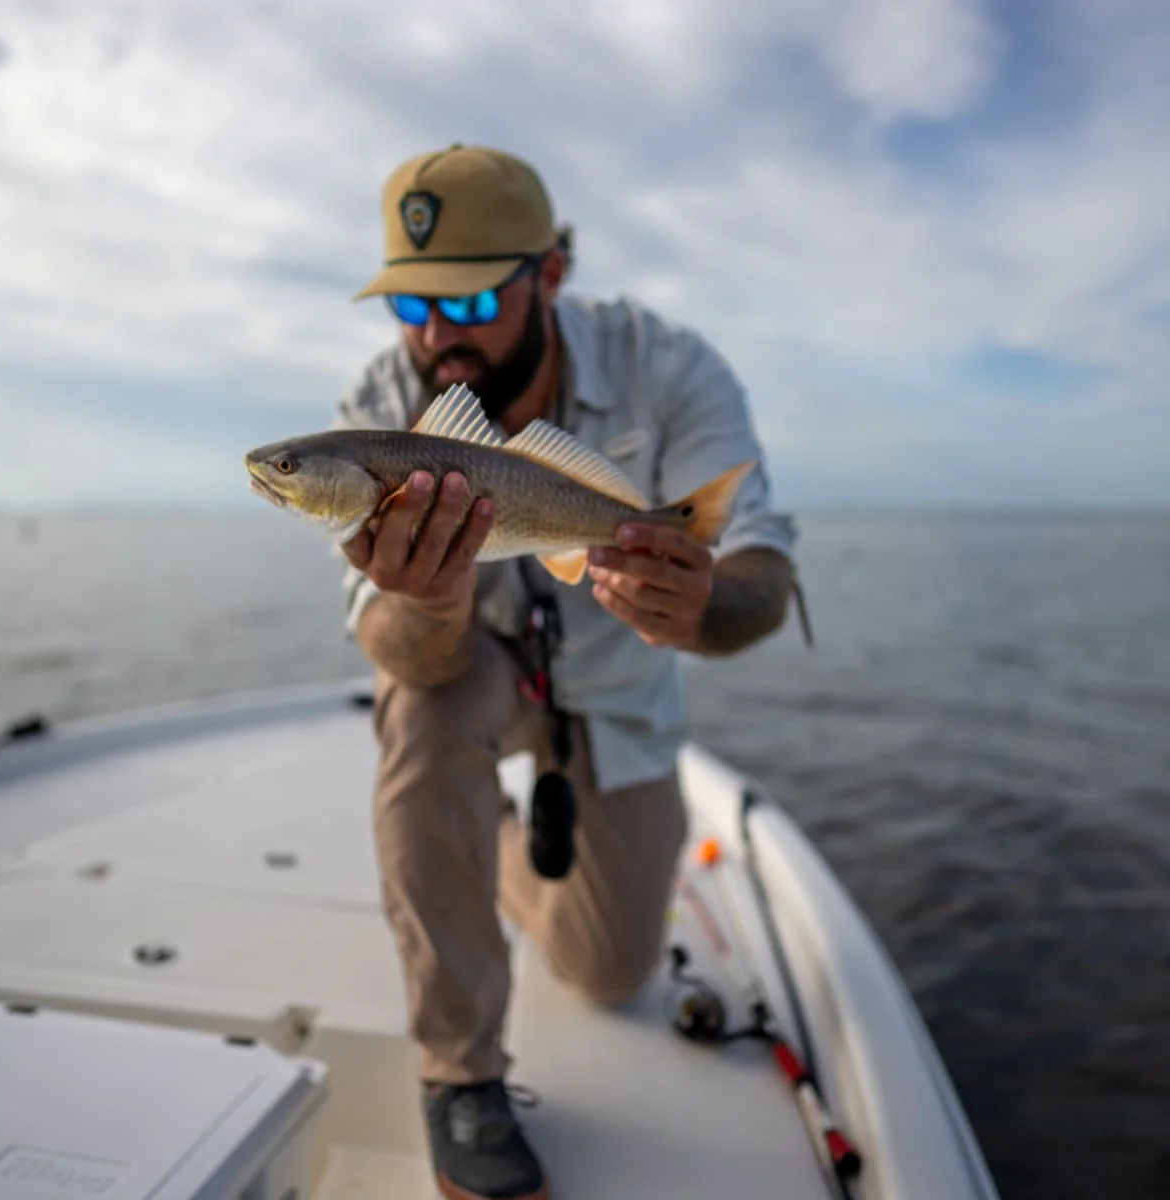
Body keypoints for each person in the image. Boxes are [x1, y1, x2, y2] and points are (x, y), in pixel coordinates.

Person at [332, 143, 803, 1200]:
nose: (439, 336)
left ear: (550, 273)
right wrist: (427, 596)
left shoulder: (669, 365)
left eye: (471, 297)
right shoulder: (377, 404)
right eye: (412, 308)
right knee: (417, 700)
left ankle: (485, 845)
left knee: (609, 971)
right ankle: (460, 1078)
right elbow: (389, 643)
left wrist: (699, 602)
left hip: (615, 686)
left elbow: (762, 577)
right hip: (475, 671)